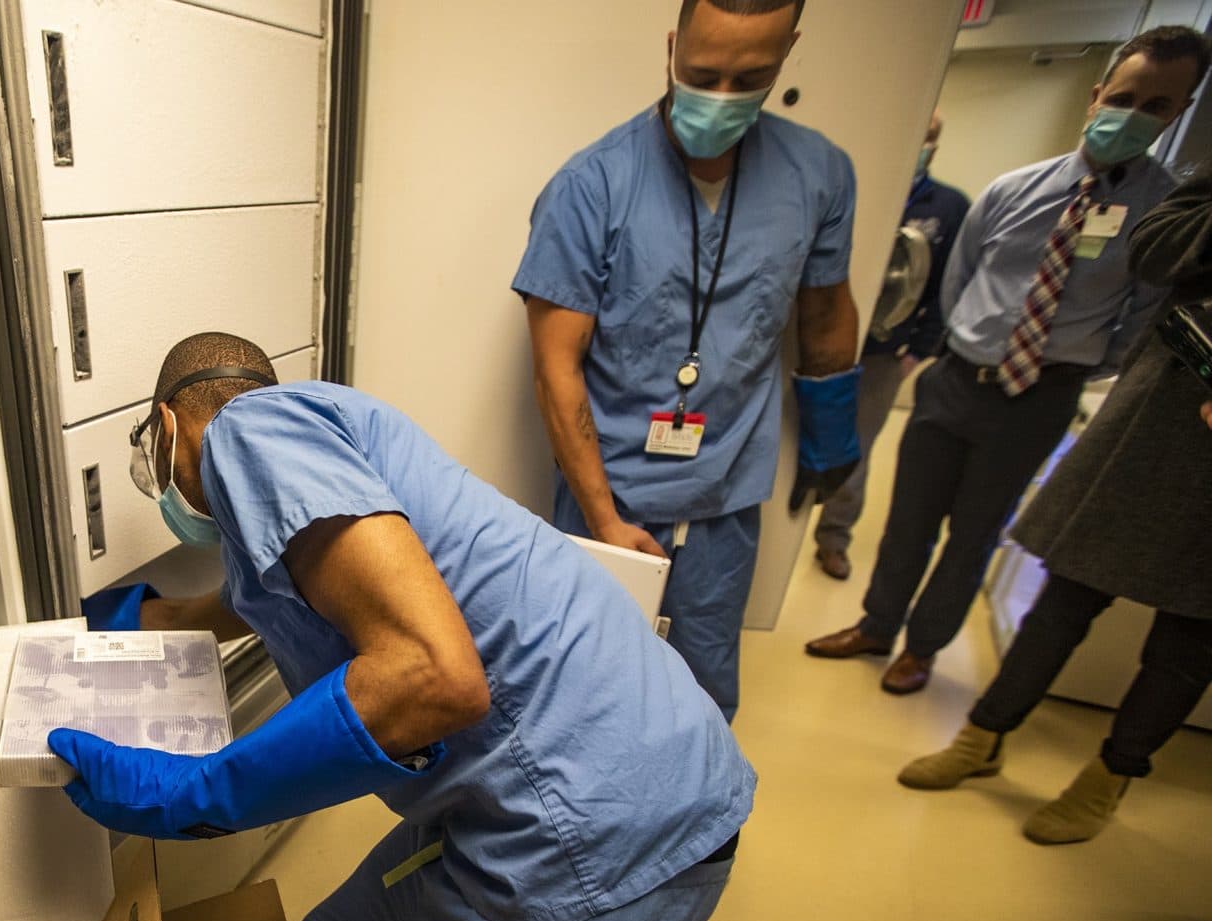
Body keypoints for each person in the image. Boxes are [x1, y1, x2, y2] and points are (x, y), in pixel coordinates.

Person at [61, 332, 754, 921]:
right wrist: (153, 617)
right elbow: (277, 590)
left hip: (596, 834)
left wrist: (195, 795)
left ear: (171, 422)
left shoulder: (245, 437)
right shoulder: (313, 455)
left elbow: (433, 675)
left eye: (154, 458)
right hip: (557, 789)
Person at [806, 27, 1208, 695]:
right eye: (1126, 97)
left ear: (1180, 112)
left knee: (974, 536)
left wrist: (1067, 365)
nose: (1134, 115)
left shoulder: (1160, 212)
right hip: (958, 380)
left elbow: (1140, 319)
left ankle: (923, 648)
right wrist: (971, 348)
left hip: (1042, 395)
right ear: (1096, 94)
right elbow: (960, 279)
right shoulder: (1015, 189)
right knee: (908, 521)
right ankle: (877, 625)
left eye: (1158, 106)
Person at [515, 0, 861, 722]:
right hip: (607, 489)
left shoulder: (819, 173)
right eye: (703, 74)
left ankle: (690, 828)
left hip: (724, 491)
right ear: (673, 47)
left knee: (702, 689)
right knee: (584, 683)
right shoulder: (592, 185)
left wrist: (834, 445)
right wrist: (604, 520)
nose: (723, 96)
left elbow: (825, 314)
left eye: (750, 77)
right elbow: (556, 369)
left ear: (788, 53)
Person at [897, 173, 1212, 843]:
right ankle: (985, 735)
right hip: (1159, 417)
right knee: (1064, 599)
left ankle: (1109, 777)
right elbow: (1157, 253)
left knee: (1189, 636)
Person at [814, 111, 971, 581]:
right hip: (823, 343)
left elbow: (948, 287)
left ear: (935, 145)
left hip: (885, 352)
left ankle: (833, 539)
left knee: (855, 451)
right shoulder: (857, 188)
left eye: (928, 138)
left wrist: (917, 352)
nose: (919, 144)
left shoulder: (947, 206)